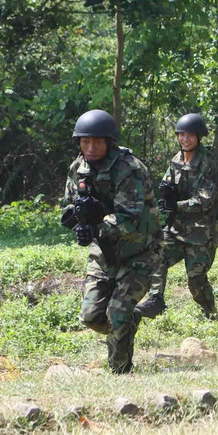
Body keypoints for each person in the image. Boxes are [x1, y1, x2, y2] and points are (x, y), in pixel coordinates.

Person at [61, 109, 158, 373]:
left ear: (110, 142)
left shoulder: (130, 169)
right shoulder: (78, 168)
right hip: (103, 254)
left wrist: (95, 228)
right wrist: (78, 223)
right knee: (91, 317)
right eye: (85, 141)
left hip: (139, 251)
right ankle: (127, 323)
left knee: (117, 313)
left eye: (97, 142)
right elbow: (69, 205)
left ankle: (120, 372)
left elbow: (129, 218)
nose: (91, 148)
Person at [136, 113, 218, 320]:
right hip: (176, 228)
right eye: (181, 135)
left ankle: (211, 314)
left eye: (190, 135)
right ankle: (156, 300)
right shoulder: (177, 159)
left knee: (196, 280)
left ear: (199, 137)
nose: (185, 139)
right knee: (155, 256)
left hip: (201, 233)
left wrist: (176, 205)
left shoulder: (208, 163)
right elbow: (167, 184)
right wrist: (166, 196)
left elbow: (204, 200)